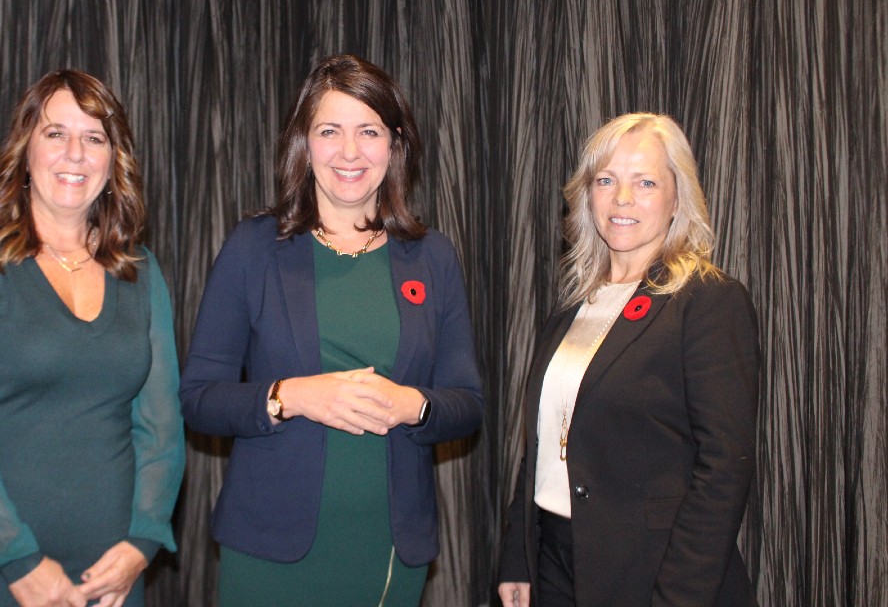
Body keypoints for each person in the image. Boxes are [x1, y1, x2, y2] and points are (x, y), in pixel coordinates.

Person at [179, 54, 484, 606]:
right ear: (305, 142)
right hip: (270, 552)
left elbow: (468, 403)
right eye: (330, 130)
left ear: (394, 144)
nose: (349, 152)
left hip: (389, 551)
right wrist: (290, 396)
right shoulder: (254, 248)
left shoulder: (432, 257)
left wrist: (409, 405)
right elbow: (200, 398)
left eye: (368, 131)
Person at [0, 70, 185, 607]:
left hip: (112, 577)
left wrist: (143, 542)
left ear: (113, 162)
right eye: (55, 134)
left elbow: (161, 425)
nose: (75, 154)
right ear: (25, 150)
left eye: (94, 138)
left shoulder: (141, 271)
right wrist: (17, 561)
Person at [497, 113, 760, 607]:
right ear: (586, 195)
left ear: (677, 197)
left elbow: (724, 470)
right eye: (606, 180)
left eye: (644, 182)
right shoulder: (576, 306)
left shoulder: (707, 302)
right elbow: (543, 438)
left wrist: (679, 596)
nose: (621, 199)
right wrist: (519, 555)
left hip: (656, 574)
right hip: (554, 563)